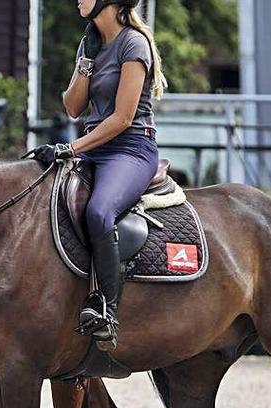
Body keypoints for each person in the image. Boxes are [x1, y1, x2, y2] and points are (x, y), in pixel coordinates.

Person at [29, 0, 166, 350]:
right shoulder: (90, 42)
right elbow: (73, 106)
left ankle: (106, 307)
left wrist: (71, 149)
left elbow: (122, 118)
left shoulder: (133, 44)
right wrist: (86, 61)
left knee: (99, 211)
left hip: (131, 148)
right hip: (95, 146)